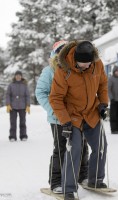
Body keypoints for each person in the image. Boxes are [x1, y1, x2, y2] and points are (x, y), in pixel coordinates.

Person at [49, 40, 108, 200]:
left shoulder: (97, 64)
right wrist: (65, 121)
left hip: (91, 112)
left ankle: (95, 180)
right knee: (74, 149)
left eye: (89, 63)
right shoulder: (64, 70)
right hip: (72, 115)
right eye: (83, 64)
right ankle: (69, 188)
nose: (87, 67)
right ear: (75, 60)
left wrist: (103, 103)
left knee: (101, 145)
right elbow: (55, 98)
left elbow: (102, 84)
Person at [35, 40, 89, 194]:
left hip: (78, 116)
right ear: (57, 53)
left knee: (82, 146)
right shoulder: (49, 71)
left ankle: (82, 175)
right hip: (58, 118)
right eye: (62, 51)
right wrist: (55, 111)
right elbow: (40, 93)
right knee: (61, 149)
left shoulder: (77, 69)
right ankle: (56, 182)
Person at [6, 70, 30, 141]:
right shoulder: (11, 85)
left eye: (19, 75)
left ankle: (23, 136)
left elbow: (27, 96)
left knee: (22, 122)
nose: (18, 77)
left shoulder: (24, 85)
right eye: (17, 75)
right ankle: (12, 136)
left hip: (22, 107)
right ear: (15, 76)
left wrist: (28, 105)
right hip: (12, 107)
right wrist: (8, 104)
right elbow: (8, 95)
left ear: (21, 76)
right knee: (13, 122)